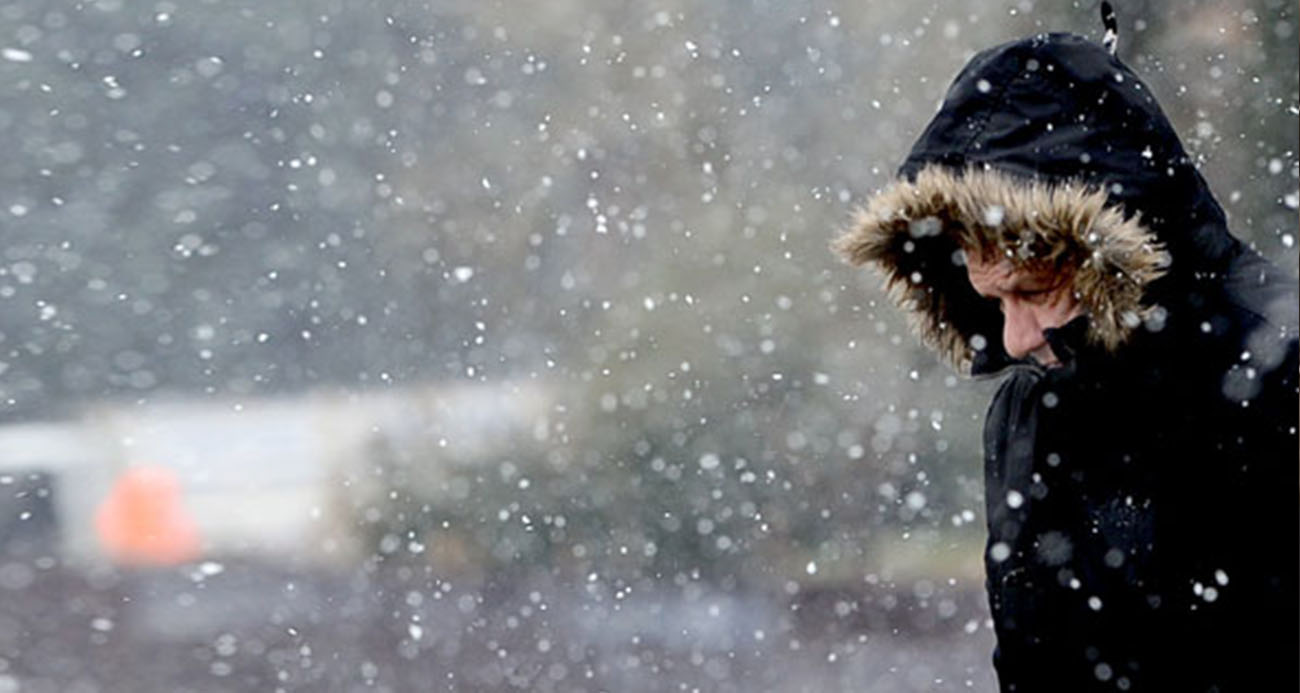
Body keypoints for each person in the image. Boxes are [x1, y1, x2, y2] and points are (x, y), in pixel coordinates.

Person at [833, 13, 1298, 693]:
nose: (1016, 339)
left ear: (1111, 251)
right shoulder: (1029, 415)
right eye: (994, 303)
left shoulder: (1278, 373)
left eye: (1035, 291)